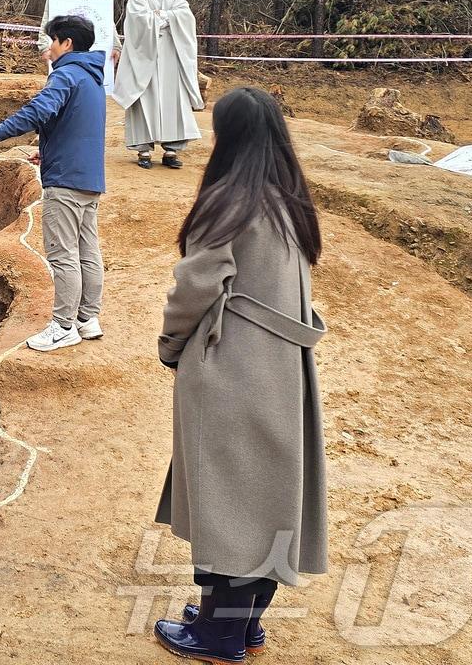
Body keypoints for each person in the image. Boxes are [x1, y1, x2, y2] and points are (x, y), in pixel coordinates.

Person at [151, 86, 328, 663]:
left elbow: (192, 290)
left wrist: (171, 347)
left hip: (231, 369)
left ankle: (218, 636)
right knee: (268, 500)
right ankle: (241, 623)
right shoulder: (291, 202)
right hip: (284, 369)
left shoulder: (228, 202)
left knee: (227, 501)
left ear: (230, 139)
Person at [0, 15, 106, 353]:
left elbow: (40, 110)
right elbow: (74, 126)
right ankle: (88, 320)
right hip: (88, 179)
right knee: (87, 251)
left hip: (66, 183)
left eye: (52, 40)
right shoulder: (92, 78)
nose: (48, 46)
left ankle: (62, 327)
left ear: (67, 44)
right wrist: (48, 152)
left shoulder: (66, 75)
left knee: (62, 255)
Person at [113, 0, 204, 169]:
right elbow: (137, 22)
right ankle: (143, 149)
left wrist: (163, 15)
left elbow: (186, 17)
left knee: (174, 98)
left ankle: (171, 149)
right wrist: (168, 18)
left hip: (172, 54)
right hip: (147, 56)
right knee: (146, 97)